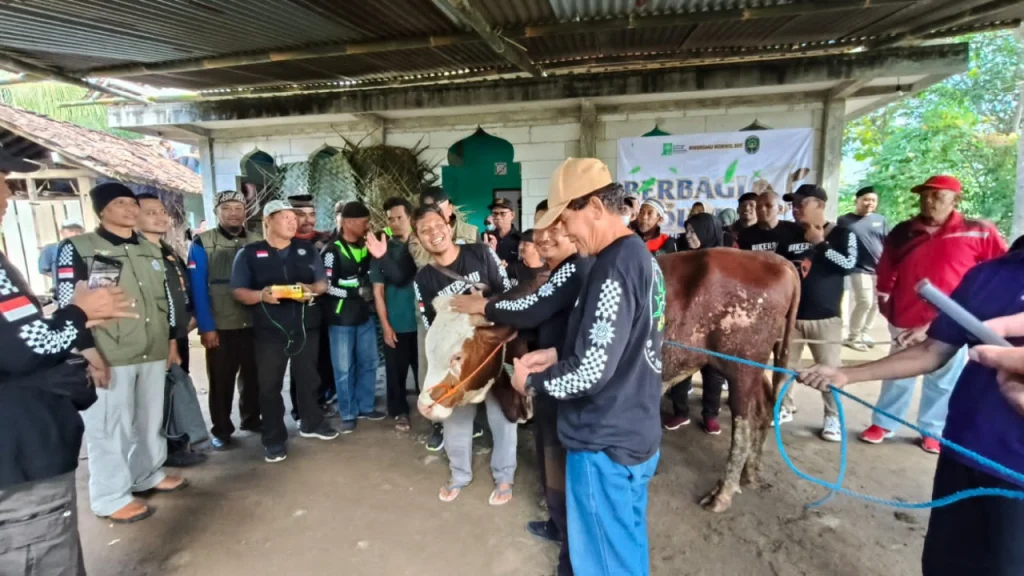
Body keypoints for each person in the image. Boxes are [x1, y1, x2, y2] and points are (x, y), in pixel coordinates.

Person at [798, 252, 1024, 576]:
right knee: (944, 563)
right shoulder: (988, 275)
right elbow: (933, 350)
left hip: (1017, 470)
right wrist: (846, 374)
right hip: (963, 451)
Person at [512, 158, 664, 576]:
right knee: (624, 549)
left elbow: (592, 371)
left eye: (566, 220)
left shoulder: (612, 269)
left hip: (604, 443)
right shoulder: (640, 257)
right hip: (634, 431)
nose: (563, 233)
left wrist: (533, 381)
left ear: (595, 207)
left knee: (603, 564)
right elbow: (627, 343)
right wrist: (559, 354)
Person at [0, 153, 135, 575]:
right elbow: (27, 346)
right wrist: (77, 316)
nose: (7, 194)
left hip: (19, 447)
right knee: (41, 557)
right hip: (18, 459)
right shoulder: (75, 250)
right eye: (2, 180)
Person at [452, 199, 593, 576]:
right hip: (551, 367)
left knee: (559, 454)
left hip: (564, 377)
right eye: (539, 229)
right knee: (549, 448)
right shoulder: (559, 269)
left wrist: (484, 306)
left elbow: (532, 308)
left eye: (554, 229)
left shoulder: (573, 269)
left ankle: (569, 542)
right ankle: (558, 523)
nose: (543, 237)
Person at [55, 182, 187, 523]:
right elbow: (70, 305)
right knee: (109, 426)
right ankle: (110, 497)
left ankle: (148, 474)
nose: (130, 209)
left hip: (152, 348)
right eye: (120, 203)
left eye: (132, 203)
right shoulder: (81, 248)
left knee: (149, 419)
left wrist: (171, 340)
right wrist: (87, 351)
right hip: (110, 351)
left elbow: (166, 299)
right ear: (102, 210)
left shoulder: (149, 248)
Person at [861, 175, 1006, 452]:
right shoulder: (904, 231)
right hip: (906, 315)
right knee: (897, 372)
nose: (929, 201)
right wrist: (885, 302)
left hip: (954, 319)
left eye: (938, 196)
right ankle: (884, 423)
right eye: (925, 195)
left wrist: (982, 310)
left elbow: (997, 270)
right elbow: (887, 268)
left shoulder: (979, 231)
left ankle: (932, 430)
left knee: (943, 377)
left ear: (956, 200)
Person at [413, 204, 515, 506]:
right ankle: (459, 473)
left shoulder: (480, 254)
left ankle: (505, 475)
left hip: (493, 349)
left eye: (437, 225)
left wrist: (481, 306)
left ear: (449, 224)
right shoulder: (424, 279)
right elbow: (431, 324)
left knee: (502, 412)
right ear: (418, 239)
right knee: (455, 414)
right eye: (424, 231)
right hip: (457, 362)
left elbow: (507, 291)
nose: (434, 233)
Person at [230, 200, 339, 463]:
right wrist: (262, 295)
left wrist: (310, 289)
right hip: (269, 331)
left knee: (308, 378)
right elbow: (238, 291)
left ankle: (311, 422)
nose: (293, 222)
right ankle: (274, 438)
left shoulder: (306, 250)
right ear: (268, 220)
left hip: (305, 326)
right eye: (286, 217)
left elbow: (323, 283)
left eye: (294, 218)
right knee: (269, 386)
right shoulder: (249, 253)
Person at [775, 184, 857, 441]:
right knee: (784, 367)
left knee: (830, 371)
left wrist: (820, 243)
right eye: (793, 204)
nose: (795, 209)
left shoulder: (843, 233)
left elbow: (848, 264)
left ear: (820, 205)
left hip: (826, 319)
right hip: (792, 317)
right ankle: (783, 407)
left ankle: (833, 417)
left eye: (801, 203)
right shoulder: (788, 235)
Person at [135, 193, 206, 468]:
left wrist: (190, 319)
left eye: (162, 212)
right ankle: (161, 454)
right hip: (156, 338)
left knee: (175, 387)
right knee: (158, 395)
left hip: (178, 332)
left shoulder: (166, 250)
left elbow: (181, 289)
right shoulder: (136, 253)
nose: (161, 217)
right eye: (151, 212)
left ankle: (176, 443)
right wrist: (169, 341)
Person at [188, 191, 262, 450]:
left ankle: (251, 419)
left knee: (254, 377)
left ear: (246, 212)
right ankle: (221, 429)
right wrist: (207, 327)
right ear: (216, 212)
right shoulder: (202, 242)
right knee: (221, 382)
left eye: (238, 208)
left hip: (253, 322)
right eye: (227, 208)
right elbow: (197, 288)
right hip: (221, 324)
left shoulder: (257, 240)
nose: (233, 213)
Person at [412, 186, 481, 451]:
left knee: (468, 365)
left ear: (449, 209)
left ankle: (472, 418)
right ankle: (437, 423)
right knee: (432, 364)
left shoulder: (472, 233)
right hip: (435, 307)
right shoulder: (419, 236)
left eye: (438, 207)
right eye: (427, 208)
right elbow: (421, 267)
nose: (433, 215)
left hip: (470, 316)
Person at [321, 201, 383, 434]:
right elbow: (326, 287)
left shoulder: (367, 245)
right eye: (364, 222)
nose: (368, 226)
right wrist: (354, 292)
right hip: (341, 319)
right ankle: (347, 412)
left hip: (365, 315)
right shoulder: (331, 251)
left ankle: (366, 406)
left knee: (370, 362)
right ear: (348, 223)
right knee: (344, 368)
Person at [663, 213, 728, 435]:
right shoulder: (683, 258)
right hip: (687, 324)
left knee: (714, 373)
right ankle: (680, 412)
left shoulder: (724, 259)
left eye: (694, 232)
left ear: (707, 232)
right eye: (687, 231)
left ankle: (711, 415)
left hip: (714, 326)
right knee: (681, 370)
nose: (689, 236)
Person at [368, 197, 419, 432]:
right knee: (395, 373)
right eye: (390, 219)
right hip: (397, 322)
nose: (395, 222)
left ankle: (433, 413)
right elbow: (377, 292)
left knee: (425, 371)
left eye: (400, 217)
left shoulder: (423, 245)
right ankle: (399, 411)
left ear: (410, 218)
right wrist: (386, 326)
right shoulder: (382, 249)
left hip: (422, 322)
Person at [288, 194, 335, 419]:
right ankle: (300, 410)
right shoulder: (285, 243)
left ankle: (321, 401)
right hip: (298, 313)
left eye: (311, 214)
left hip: (326, 310)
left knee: (325, 360)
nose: (308, 220)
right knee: (302, 364)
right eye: (301, 214)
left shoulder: (325, 240)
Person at [837, 186, 889, 351]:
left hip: (880, 268)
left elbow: (887, 242)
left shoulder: (880, 220)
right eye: (866, 199)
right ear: (857, 200)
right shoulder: (844, 220)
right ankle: (853, 337)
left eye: (873, 200)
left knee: (876, 303)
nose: (869, 203)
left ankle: (864, 332)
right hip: (857, 268)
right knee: (864, 301)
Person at [408, 186, 478, 267]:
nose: (436, 215)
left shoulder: (470, 232)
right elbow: (423, 264)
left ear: (450, 209)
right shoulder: (417, 238)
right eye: (430, 211)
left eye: (439, 210)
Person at [736, 190, 803, 252]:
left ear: (780, 209)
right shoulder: (744, 236)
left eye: (768, 206)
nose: (762, 209)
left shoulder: (794, 231)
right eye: (759, 206)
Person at [483, 198, 522, 277]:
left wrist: (508, 266)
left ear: (512, 215)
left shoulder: (521, 239)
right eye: (495, 213)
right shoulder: (486, 238)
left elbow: (526, 266)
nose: (498, 217)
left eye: (503, 213)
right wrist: (485, 251)